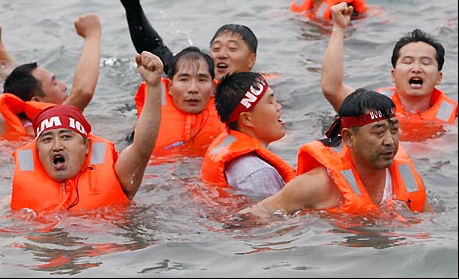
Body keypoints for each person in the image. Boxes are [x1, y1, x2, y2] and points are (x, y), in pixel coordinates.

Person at [240, 88, 435, 219]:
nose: (389, 141)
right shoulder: (317, 184)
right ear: (349, 138)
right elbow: (256, 215)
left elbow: (429, 224)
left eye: (394, 130)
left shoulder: (407, 177)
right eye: (378, 132)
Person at [10, 51, 163, 215]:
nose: (57, 146)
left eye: (66, 137)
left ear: (86, 146)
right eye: (47, 139)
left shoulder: (118, 178)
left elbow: (142, 147)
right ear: (38, 151)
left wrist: (153, 86)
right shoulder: (20, 199)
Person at [322, 2, 457, 142]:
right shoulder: (371, 108)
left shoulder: (454, 118)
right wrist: (338, 29)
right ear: (393, 74)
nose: (416, 68)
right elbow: (332, 88)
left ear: (439, 77)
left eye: (425, 62)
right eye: (407, 61)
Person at [116, 0, 258, 80]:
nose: (221, 54)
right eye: (216, 49)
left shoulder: (262, 91)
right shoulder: (191, 77)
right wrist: (131, 2)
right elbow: (153, 48)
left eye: (232, 49)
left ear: (251, 60)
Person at [0, 13, 103, 141]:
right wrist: (92, 34)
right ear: (36, 101)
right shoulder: (47, 127)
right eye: (54, 84)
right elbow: (83, 92)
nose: (64, 87)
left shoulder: (14, 122)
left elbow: (14, 75)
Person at [201, 72, 296, 200]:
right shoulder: (259, 173)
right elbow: (273, 218)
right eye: (270, 102)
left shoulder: (227, 144)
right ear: (247, 119)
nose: (279, 107)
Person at [132, 46, 225, 159]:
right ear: (170, 86)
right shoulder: (147, 121)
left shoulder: (232, 120)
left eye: (202, 80)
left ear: (213, 88)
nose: (193, 89)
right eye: (184, 79)